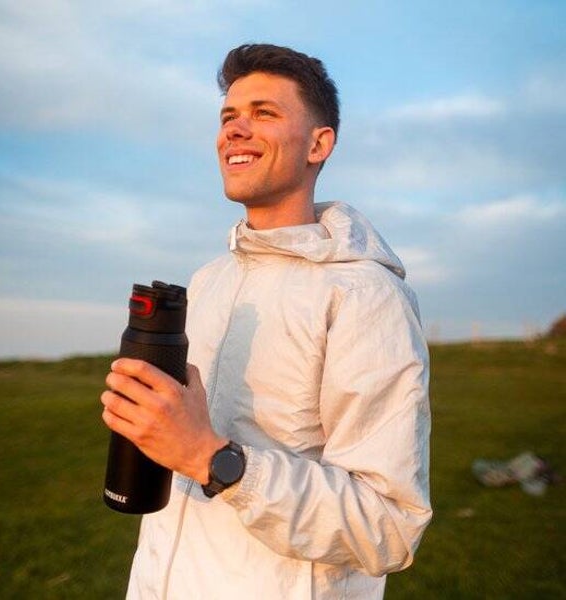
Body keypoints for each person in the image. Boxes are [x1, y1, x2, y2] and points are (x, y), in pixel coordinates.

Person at [101, 43, 432, 599]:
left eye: (264, 113)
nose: (234, 129)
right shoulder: (208, 280)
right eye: (228, 116)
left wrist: (211, 458)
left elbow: (389, 527)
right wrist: (152, 420)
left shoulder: (365, 296)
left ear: (318, 144)